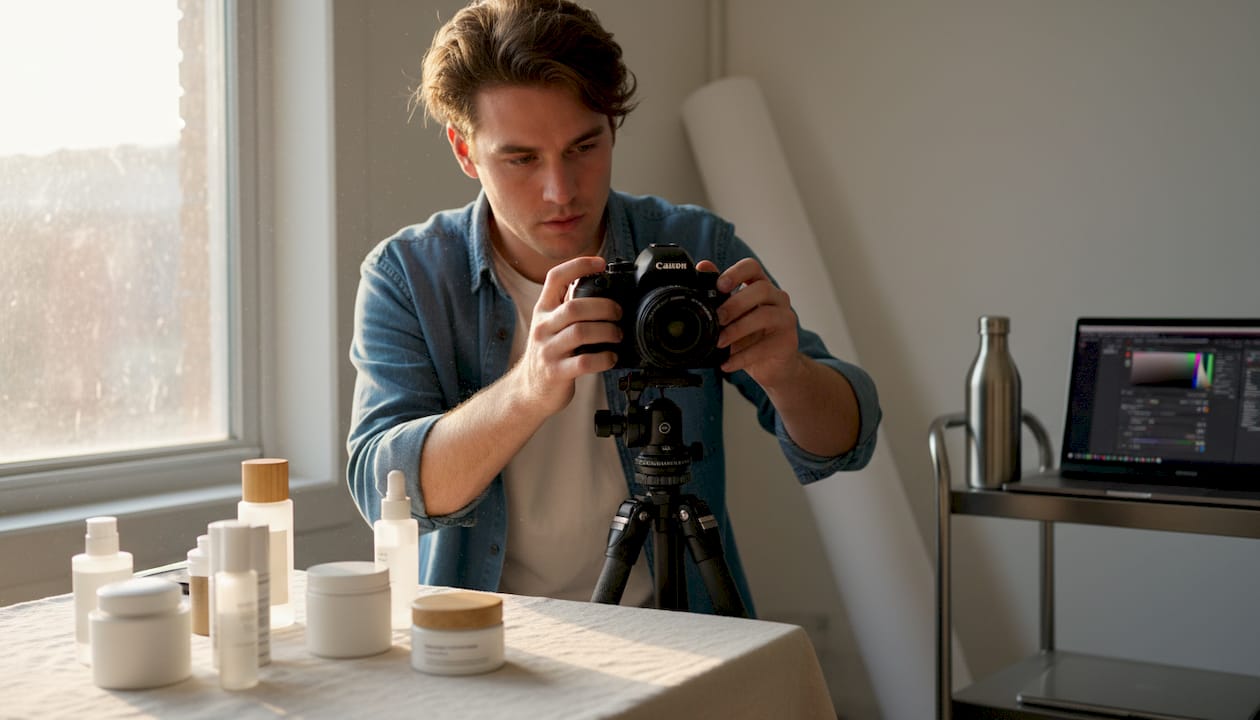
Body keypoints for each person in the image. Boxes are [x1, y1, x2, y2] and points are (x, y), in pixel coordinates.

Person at [346, 0, 881, 615]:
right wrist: (528, 390)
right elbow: (383, 485)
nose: (561, 190)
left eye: (584, 146)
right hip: (487, 640)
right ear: (465, 153)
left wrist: (789, 373)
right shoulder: (409, 276)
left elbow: (848, 440)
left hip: (677, 630)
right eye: (521, 159)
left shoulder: (698, 246)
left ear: (613, 126)